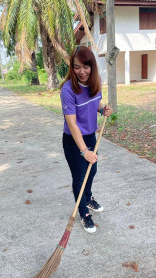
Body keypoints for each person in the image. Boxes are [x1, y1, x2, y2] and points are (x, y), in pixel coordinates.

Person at [60, 46, 113, 233]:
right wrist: (84, 151)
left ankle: (87, 198)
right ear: (71, 68)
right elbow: (72, 124)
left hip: (90, 135)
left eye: (86, 66)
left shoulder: (94, 81)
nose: (81, 71)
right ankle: (83, 212)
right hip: (74, 141)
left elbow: (95, 100)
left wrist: (102, 109)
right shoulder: (68, 90)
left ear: (92, 66)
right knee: (80, 177)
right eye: (76, 67)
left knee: (92, 170)